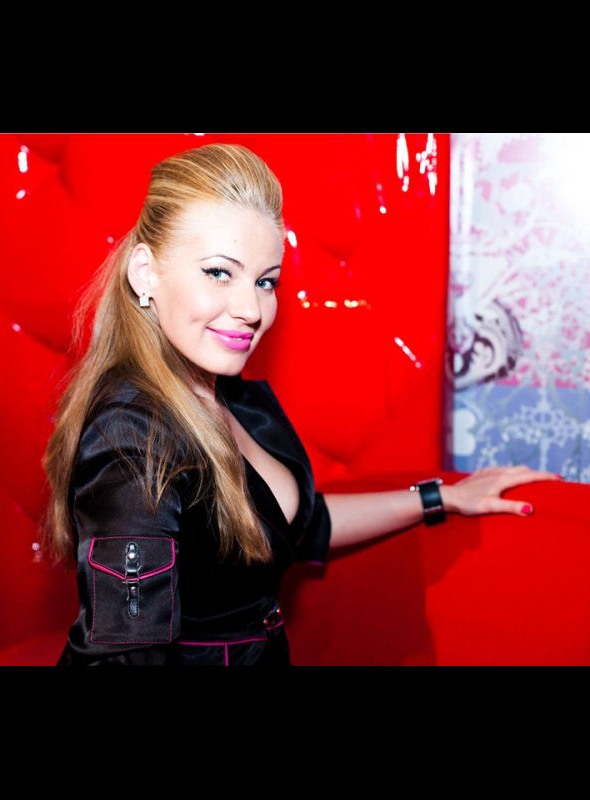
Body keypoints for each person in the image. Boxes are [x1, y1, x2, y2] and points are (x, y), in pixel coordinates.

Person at [40, 143, 560, 667]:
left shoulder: (227, 398)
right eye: (219, 272)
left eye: (265, 281)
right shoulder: (132, 433)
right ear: (145, 273)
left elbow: (302, 524)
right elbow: (123, 655)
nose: (251, 309)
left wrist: (440, 497)